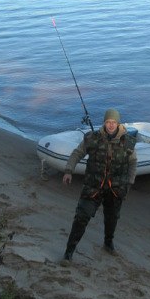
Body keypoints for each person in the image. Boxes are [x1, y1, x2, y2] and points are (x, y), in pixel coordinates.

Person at [60, 108, 137, 265]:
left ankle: (108, 243)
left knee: (112, 218)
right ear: (104, 123)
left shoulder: (127, 142)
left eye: (113, 122)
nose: (110, 125)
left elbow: (133, 163)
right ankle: (69, 252)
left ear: (118, 123)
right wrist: (69, 170)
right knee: (81, 217)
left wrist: (129, 182)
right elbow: (77, 153)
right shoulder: (92, 138)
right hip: (94, 186)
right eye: (108, 122)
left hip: (116, 188)